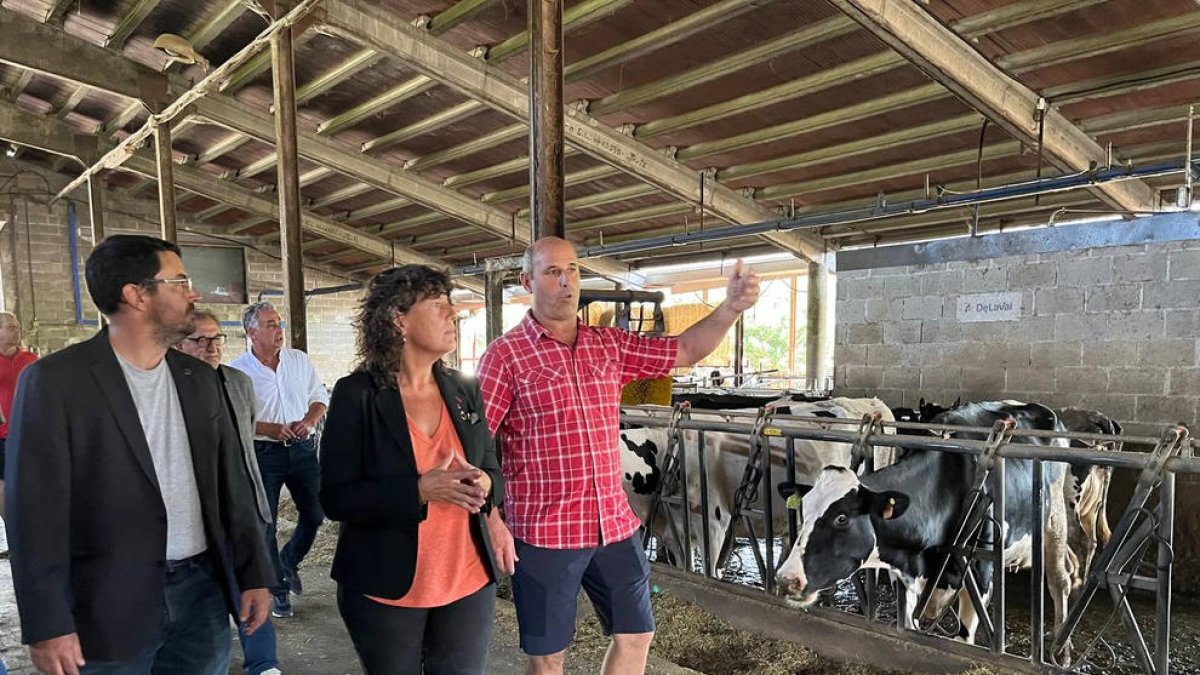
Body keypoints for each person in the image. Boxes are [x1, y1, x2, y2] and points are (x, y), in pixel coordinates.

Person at [476, 237, 759, 675]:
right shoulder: (505, 355)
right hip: (545, 531)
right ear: (526, 281)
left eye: (572, 269)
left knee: (636, 634)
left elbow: (685, 349)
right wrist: (493, 519)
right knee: (549, 657)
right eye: (552, 272)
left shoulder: (608, 344)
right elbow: (477, 444)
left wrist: (731, 308)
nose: (566, 281)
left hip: (613, 524)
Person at [5, 234, 274, 675]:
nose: (193, 293)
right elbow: (33, 513)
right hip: (106, 602)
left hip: (201, 593)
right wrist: (48, 623)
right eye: (179, 281)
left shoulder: (199, 379)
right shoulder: (56, 381)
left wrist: (254, 574)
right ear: (136, 295)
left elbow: (232, 486)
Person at [320, 265, 516, 675]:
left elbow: (492, 470)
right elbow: (336, 499)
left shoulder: (464, 389)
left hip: (467, 579)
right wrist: (419, 491)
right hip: (386, 585)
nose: (453, 313)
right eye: (438, 304)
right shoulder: (357, 395)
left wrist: (486, 487)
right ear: (399, 319)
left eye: (451, 304)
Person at [175, 310, 283, 675]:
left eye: (217, 338)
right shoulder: (172, 387)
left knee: (253, 578)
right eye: (200, 340)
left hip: (242, 499)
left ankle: (263, 663)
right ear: (178, 345)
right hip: (198, 509)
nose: (211, 348)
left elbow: (246, 435)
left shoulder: (237, 382)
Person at [230, 301, 329, 618]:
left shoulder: (298, 360)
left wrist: (309, 421)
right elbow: (233, 417)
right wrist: (268, 428)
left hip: (302, 450)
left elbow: (319, 397)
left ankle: (289, 561)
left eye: (279, 323)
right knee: (267, 523)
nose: (279, 330)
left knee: (315, 513)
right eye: (270, 325)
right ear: (252, 333)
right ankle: (278, 587)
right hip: (264, 454)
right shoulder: (237, 371)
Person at [0, 311, 36, 545]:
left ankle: (31, 531)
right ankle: (13, 533)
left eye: (17, 327)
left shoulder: (30, 359)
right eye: (10, 327)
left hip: (28, 431)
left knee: (29, 483)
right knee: (3, 485)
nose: (17, 331)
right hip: (1, 434)